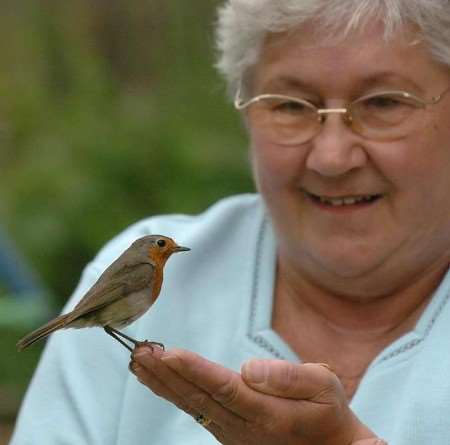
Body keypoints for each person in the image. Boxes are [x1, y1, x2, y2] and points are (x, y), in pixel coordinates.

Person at [10, 0, 450, 443]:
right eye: (289, 105)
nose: (332, 158)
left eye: (384, 102)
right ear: (244, 113)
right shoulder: (140, 258)